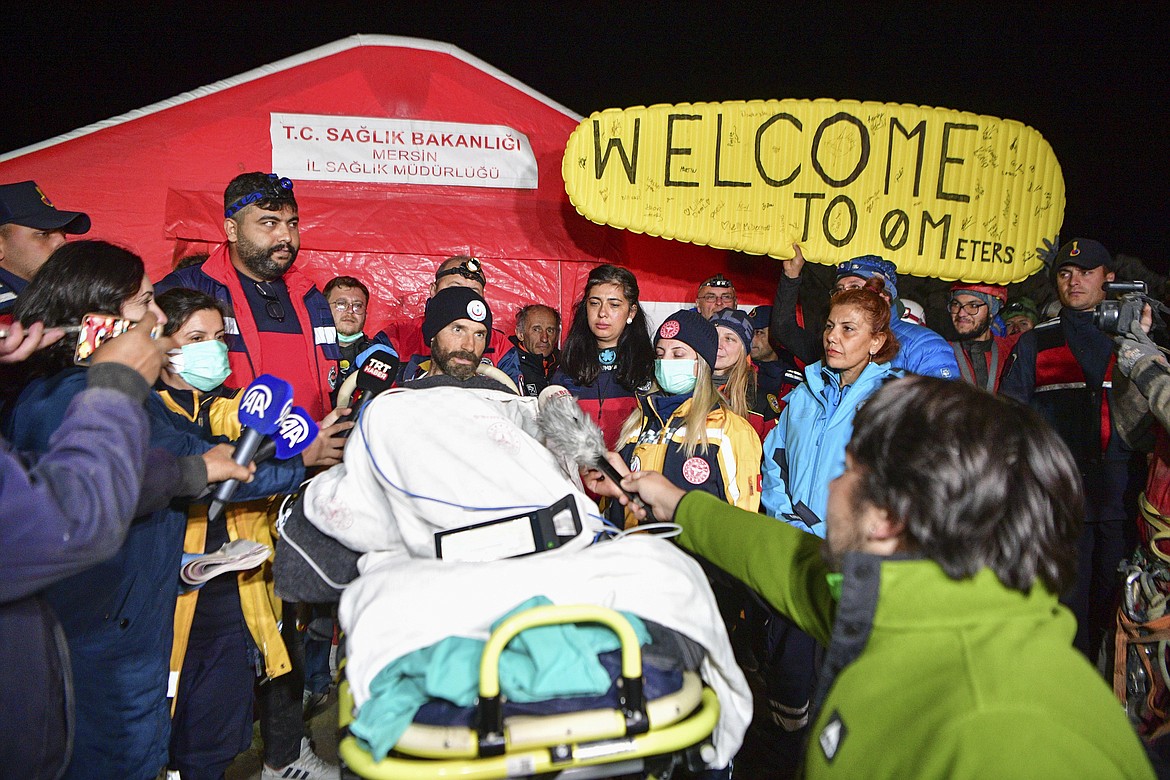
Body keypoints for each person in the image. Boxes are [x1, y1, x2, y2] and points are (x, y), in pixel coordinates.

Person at [597, 376, 1157, 779]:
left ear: (886, 518)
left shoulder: (1013, 734)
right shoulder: (911, 602)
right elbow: (784, 557)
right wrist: (674, 502)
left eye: (847, 469)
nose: (833, 487)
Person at [4, 241, 294, 780]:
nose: (159, 318)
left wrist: (199, 470)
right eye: (144, 303)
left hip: (123, 629)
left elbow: (159, 468)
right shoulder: (75, 399)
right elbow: (80, 511)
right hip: (101, 641)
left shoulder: (92, 394)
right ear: (98, 320)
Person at [153, 288, 343, 780]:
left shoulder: (226, 407)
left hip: (236, 595)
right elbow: (210, 477)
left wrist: (301, 439)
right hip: (166, 604)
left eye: (219, 337)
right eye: (196, 337)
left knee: (215, 735)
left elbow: (247, 420)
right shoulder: (148, 414)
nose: (212, 349)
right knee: (159, 729)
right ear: (159, 341)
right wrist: (297, 464)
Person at [1001, 238, 1147, 657]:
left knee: (1118, 597)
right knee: (1065, 604)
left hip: (1121, 496)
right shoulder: (1036, 342)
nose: (1074, 281)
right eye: (1065, 273)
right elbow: (1013, 416)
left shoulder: (1134, 341)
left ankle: (1116, 686)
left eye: (1086, 272)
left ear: (1110, 280)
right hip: (1061, 499)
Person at [155, 172, 340, 421]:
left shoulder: (312, 298)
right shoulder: (187, 289)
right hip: (229, 454)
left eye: (292, 224)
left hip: (310, 451)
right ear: (232, 229)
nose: (286, 236)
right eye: (270, 223)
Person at [615, 308, 761, 527]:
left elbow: (743, 522)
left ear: (700, 363)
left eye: (678, 354)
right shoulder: (638, 423)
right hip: (633, 555)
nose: (666, 362)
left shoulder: (730, 429)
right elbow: (616, 511)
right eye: (660, 354)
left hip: (691, 559)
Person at [770, 245, 959, 379]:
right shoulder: (834, 346)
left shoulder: (923, 346)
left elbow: (944, 418)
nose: (845, 296)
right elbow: (784, 329)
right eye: (839, 290)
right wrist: (791, 275)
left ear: (884, 297)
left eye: (855, 287)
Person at [552, 264, 655, 448]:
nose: (602, 313)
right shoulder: (567, 368)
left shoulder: (648, 369)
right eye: (594, 303)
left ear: (631, 311)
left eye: (614, 305)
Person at [385, 255, 511, 375]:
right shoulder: (396, 336)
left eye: (473, 292)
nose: (463, 299)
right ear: (433, 290)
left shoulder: (500, 345)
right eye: (454, 289)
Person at [0, 180, 90, 321]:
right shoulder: (7, 316)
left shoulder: (60, 294)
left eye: (63, 233)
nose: (62, 242)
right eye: (44, 234)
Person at [403, 286, 517, 394]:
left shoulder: (502, 401)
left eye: (479, 335)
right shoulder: (401, 399)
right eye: (458, 330)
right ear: (433, 334)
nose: (470, 346)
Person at [323, 275, 394, 388]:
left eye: (358, 306)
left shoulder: (379, 357)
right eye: (341, 304)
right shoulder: (310, 352)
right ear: (324, 309)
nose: (350, 311)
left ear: (365, 314)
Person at [947, 282, 1019, 393]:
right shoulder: (940, 352)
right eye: (956, 304)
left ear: (992, 311)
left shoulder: (1011, 350)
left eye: (973, 306)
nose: (961, 313)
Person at [708, 307, 765, 438]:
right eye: (713, 336)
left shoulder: (758, 401)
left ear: (744, 350)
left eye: (729, 339)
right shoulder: (685, 388)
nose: (718, 344)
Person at [746, 305, 803, 428]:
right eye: (749, 332)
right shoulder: (737, 370)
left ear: (776, 335)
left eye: (759, 332)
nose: (752, 339)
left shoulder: (797, 375)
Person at [497, 303, 560, 396]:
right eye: (536, 330)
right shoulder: (508, 363)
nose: (544, 338)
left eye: (550, 330)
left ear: (557, 336)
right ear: (520, 334)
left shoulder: (565, 363)